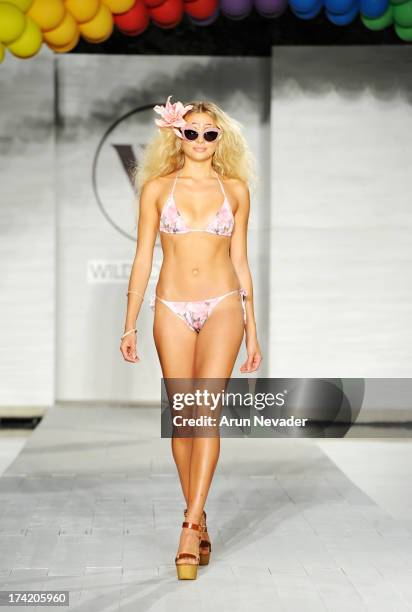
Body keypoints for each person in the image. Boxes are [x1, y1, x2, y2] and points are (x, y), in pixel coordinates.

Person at [120, 95, 263, 579]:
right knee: (183, 420)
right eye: (192, 131)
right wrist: (129, 321)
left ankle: (187, 526)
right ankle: (200, 518)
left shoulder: (237, 189)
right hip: (171, 309)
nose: (201, 140)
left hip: (223, 304)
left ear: (221, 140)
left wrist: (254, 329)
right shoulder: (157, 189)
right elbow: (143, 257)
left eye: (210, 133)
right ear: (176, 134)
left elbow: (241, 260)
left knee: (206, 412)